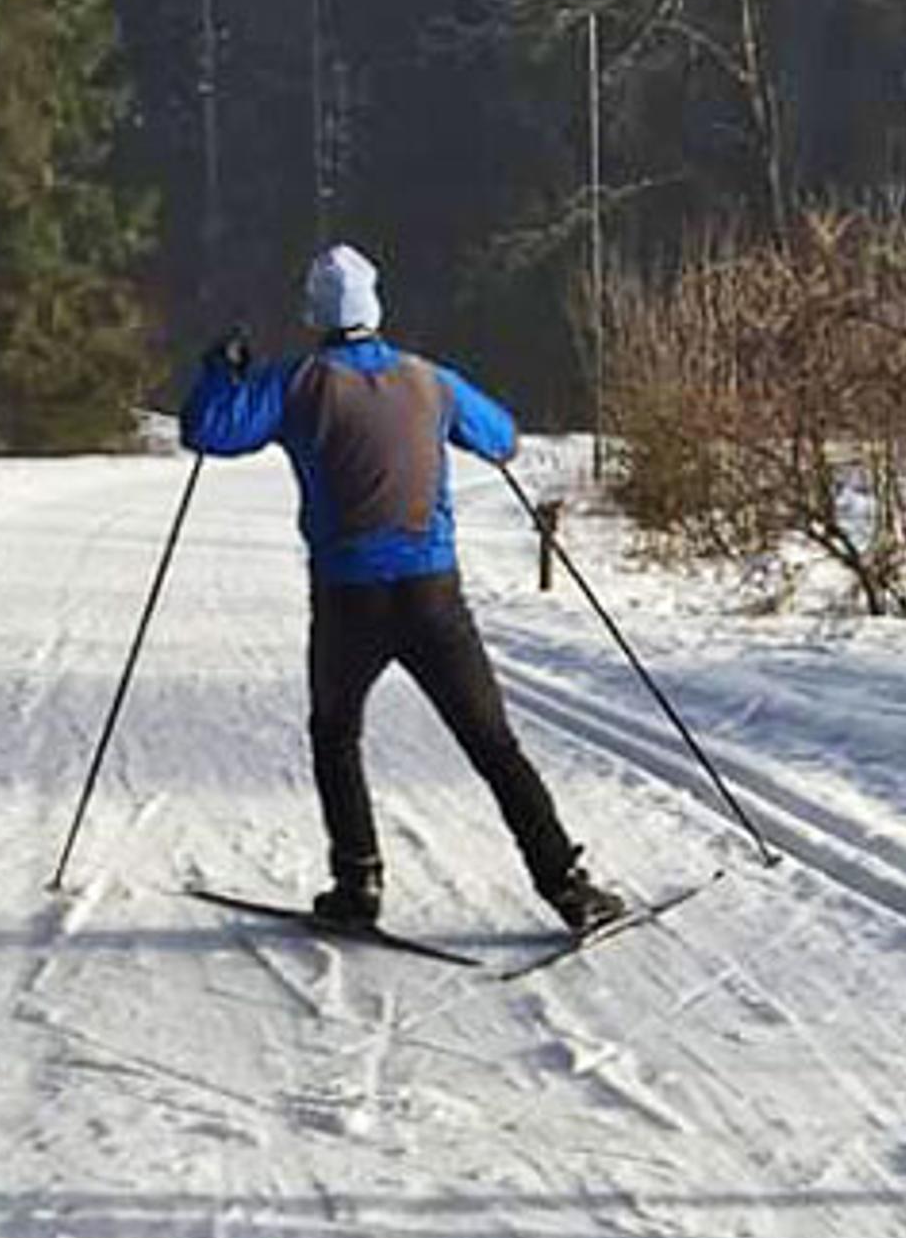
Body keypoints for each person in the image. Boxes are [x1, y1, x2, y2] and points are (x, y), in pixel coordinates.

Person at [180, 244, 623, 934]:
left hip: (346, 598)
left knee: (335, 734)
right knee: (492, 744)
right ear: (374, 307)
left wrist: (220, 372)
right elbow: (503, 439)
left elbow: (210, 432)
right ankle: (567, 886)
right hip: (431, 597)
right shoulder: (430, 380)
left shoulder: (295, 381)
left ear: (315, 313)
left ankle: (358, 885)